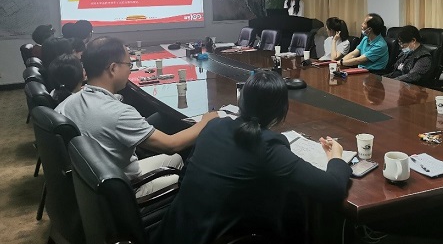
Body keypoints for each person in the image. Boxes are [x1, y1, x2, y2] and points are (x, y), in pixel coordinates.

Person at [157, 71, 351, 244]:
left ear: (241, 101)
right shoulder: (268, 146)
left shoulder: (214, 126)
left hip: (173, 232)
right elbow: (333, 188)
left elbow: (185, 177)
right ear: (282, 110)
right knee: (294, 206)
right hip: (218, 238)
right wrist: (336, 157)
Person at [55, 36, 217, 197]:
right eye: (128, 65)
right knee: (189, 180)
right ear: (113, 68)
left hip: (91, 184)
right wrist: (206, 121)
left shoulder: (67, 103)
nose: (130, 70)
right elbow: (171, 145)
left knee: (175, 159)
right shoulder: (118, 113)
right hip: (122, 192)